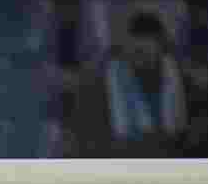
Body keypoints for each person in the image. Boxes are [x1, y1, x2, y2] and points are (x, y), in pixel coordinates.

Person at [65, 9, 191, 160]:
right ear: (125, 47)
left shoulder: (179, 79)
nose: (140, 58)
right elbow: (88, 141)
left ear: (161, 48)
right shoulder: (100, 85)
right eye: (136, 51)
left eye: (145, 52)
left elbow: (187, 137)